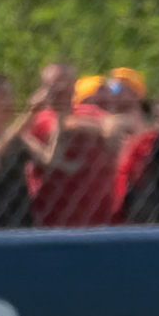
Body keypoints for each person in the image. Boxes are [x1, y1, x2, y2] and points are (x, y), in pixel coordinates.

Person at [28, 62, 115, 226]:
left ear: (74, 85)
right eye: (54, 83)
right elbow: (59, 127)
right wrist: (95, 128)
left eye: (65, 81)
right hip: (55, 213)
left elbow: (113, 128)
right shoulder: (40, 118)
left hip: (98, 211)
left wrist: (99, 127)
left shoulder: (88, 110)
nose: (60, 88)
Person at [0, 73, 51, 228]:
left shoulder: (17, 135)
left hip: (21, 216)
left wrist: (61, 118)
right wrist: (29, 112)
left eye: (10, 95)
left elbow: (48, 160)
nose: (11, 101)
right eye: (3, 95)